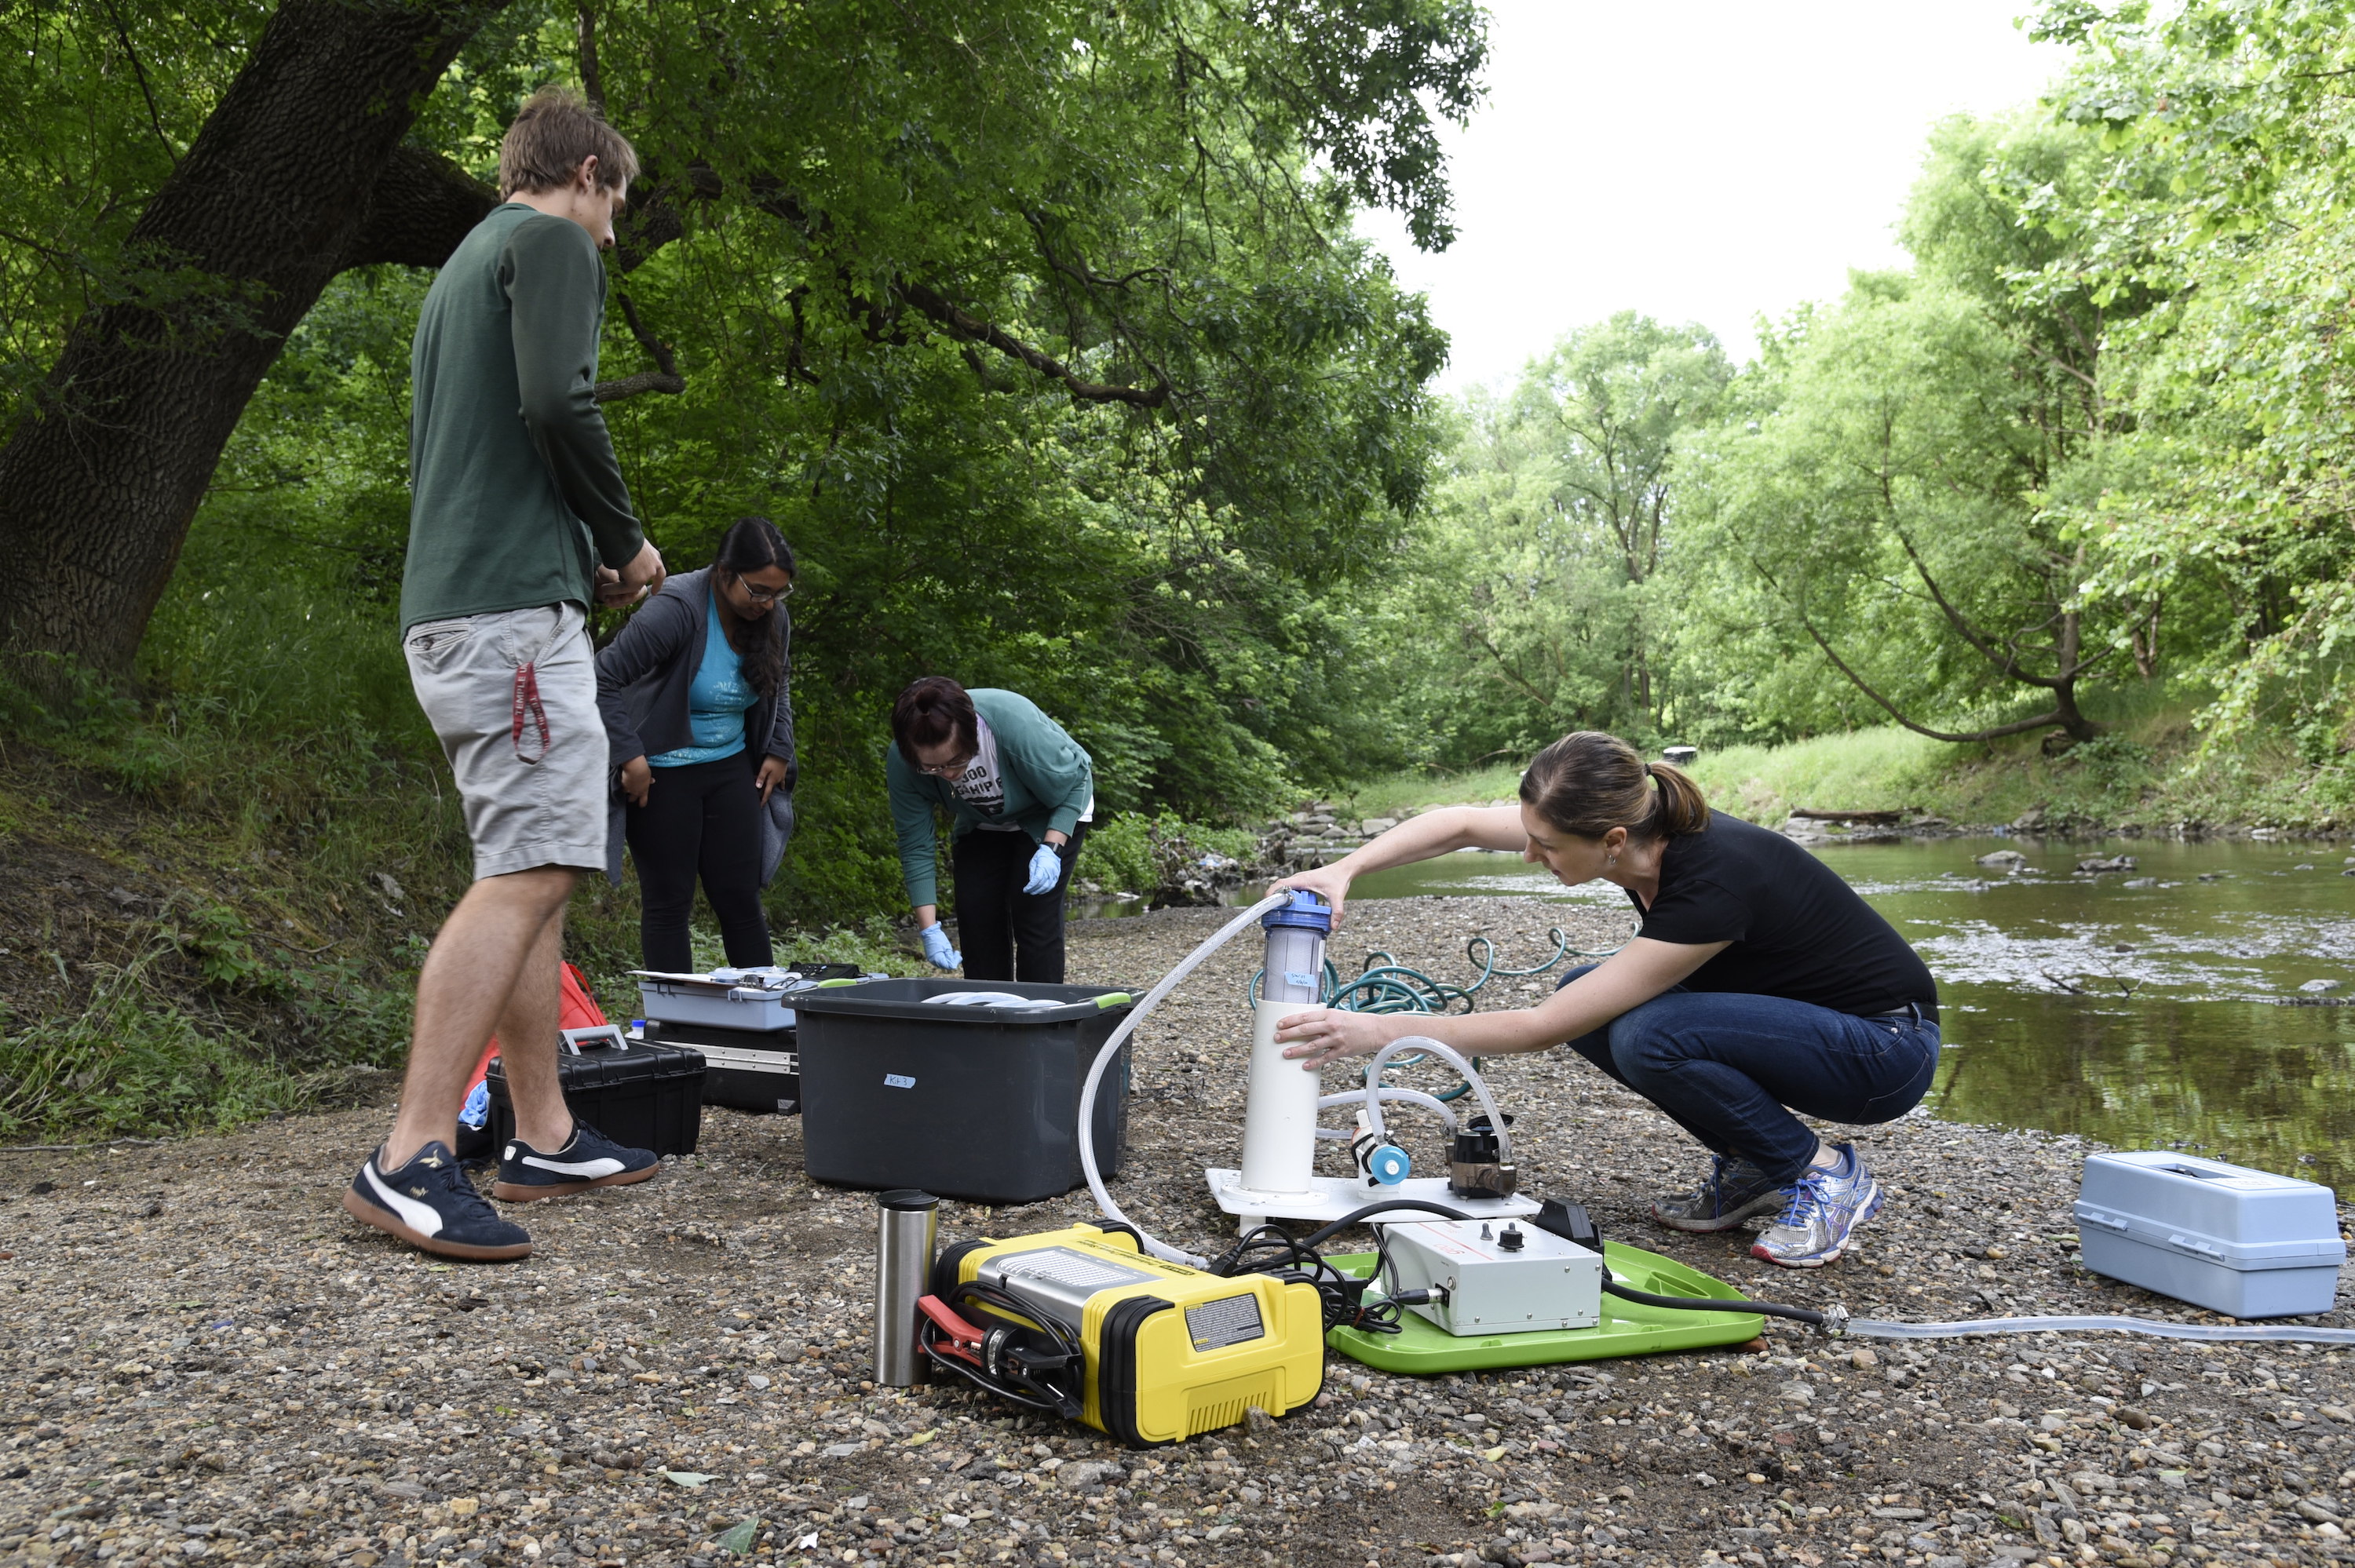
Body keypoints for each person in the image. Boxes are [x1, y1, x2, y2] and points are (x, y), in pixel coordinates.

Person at [346, 86, 669, 1264]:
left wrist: (572, 548)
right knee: (531, 868)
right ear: (586, 171)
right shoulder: (546, 239)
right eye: (616, 204)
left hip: (464, 607)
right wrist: (625, 539)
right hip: (506, 626)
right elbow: (554, 402)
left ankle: (541, 1130)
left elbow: (494, 443)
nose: (615, 232)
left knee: (532, 866)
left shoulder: (464, 264)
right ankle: (411, 1154)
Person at [1269, 731, 1940, 1268]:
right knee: (1591, 997)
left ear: (1612, 841)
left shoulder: (1713, 879)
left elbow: (1542, 1028)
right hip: (1816, 1032)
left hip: (1883, 1053)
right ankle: (1755, 1163)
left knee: (1649, 1033)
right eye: (1531, 836)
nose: (1531, 855)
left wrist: (1376, 1030)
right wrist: (1343, 869)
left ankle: (1823, 1174)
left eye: (1547, 846)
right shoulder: (1628, 834)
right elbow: (1461, 825)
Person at [594, 517, 798, 972]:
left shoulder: (771, 618)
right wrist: (631, 757)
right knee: (669, 902)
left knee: (740, 899)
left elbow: (778, 682)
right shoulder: (677, 609)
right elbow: (602, 677)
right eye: (759, 591)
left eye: (778, 593)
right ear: (725, 573)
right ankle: (677, 1026)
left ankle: (763, 1022)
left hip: (730, 767)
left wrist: (780, 746)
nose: (768, 604)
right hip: (662, 771)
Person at [886, 679, 1094, 983]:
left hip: (1052, 809)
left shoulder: (1013, 723)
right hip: (982, 820)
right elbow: (915, 844)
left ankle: (1041, 1021)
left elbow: (1077, 780)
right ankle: (988, 1020)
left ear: (972, 736)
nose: (949, 774)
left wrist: (1051, 849)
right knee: (976, 918)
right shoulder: (903, 762)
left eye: (956, 761)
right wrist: (929, 929)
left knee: (1034, 916)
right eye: (933, 768)